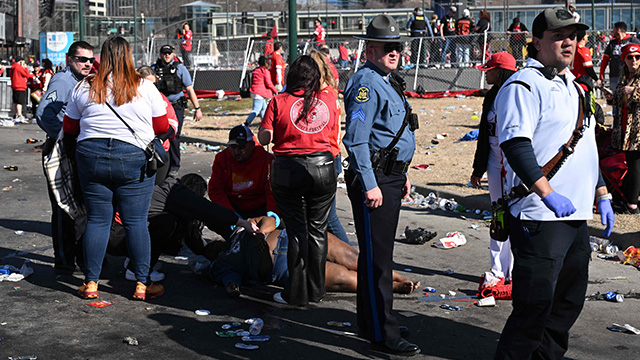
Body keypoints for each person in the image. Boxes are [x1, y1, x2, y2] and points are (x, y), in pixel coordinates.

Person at [493, 8, 614, 359]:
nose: (569, 42)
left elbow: (584, 147)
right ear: (536, 41)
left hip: (574, 214)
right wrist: (546, 193)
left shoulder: (574, 86)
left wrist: (602, 193)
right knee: (534, 308)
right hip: (539, 216)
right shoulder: (523, 84)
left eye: (574, 35)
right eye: (559, 35)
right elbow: (516, 145)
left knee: (567, 303)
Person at [63, 36, 170, 301]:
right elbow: (162, 127)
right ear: (129, 56)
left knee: (98, 220)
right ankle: (143, 285)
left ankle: (90, 283)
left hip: (91, 156)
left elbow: (69, 128)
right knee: (136, 222)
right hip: (133, 157)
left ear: (103, 57)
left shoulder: (86, 86)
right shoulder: (144, 86)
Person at [343, 15, 419, 356]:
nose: (395, 53)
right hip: (374, 180)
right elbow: (356, 139)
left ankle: (371, 319)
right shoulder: (366, 84)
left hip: (389, 177)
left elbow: (392, 133)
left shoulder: (386, 80)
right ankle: (383, 332)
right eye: (387, 47)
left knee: (377, 256)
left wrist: (400, 175)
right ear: (370, 49)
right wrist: (373, 184)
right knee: (378, 261)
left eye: (397, 47)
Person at [258, 55, 338, 307]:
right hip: (322, 168)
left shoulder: (278, 101)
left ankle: (296, 292)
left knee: (295, 231)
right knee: (318, 230)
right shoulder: (327, 99)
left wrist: (273, 131)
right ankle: (316, 290)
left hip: (288, 170)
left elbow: (263, 138)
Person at [206, 217, 420, 298]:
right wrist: (232, 288)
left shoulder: (238, 230)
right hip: (284, 268)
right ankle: (390, 286)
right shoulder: (222, 263)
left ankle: (397, 276)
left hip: (293, 238)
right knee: (344, 278)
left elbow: (270, 219)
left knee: (353, 258)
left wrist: (260, 233)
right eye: (210, 247)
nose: (213, 244)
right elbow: (230, 281)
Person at [108, 174, 258, 282]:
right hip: (120, 237)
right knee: (167, 222)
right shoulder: (174, 192)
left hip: (112, 232)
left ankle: (135, 259)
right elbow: (207, 210)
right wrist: (241, 222)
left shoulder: (160, 184)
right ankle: (138, 270)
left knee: (157, 221)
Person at [36, 41, 95, 273]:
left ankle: (80, 255)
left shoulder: (84, 80)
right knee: (63, 207)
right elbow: (43, 113)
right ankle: (64, 259)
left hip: (77, 149)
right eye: (82, 59)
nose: (87, 64)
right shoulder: (63, 80)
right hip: (61, 150)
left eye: (90, 60)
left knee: (80, 206)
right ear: (70, 59)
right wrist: (64, 136)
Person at [470, 52, 517, 291]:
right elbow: (483, 136)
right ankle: (498, 271)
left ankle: (517, 271)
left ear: (500, 71)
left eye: (489, 70)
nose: (486, 74)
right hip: (494, 162)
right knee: (498, 215)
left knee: (517, 215)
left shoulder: (518, 92)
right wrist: (478, 169)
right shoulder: (491, 95)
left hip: (514, 163)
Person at [310, 49, 349, 244]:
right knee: (323, 214)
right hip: (332, 154)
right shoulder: (330, 92)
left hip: (327, 156)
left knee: (328, 215)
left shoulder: (322, 97)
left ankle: (350, 256)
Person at [208, 124, 278, 221]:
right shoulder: (222, 158)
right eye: (233, 147)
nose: (237, 152)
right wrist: (230, 213)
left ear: (252, 145)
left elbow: (272, 192)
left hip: (260, 208)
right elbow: (215, 190)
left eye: (241, 147)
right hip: (234, 207)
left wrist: (271, 215)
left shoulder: (266, 160)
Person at [152, 44, 203, 177]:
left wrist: (197, 109)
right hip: (159, 107)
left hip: (176, 106)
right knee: (158, 136)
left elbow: (190, 89)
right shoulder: (154, 69)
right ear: (160, 54)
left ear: (173, 54)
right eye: (164, 53)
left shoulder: (180, 69)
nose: (167, 55)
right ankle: (162, 163)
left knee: (173, 136)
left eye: (169, 53)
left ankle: (174, 166)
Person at [137, 65, 179, 184]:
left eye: (154, 84)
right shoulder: (130, 98)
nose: (152, 88)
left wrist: (160, 140)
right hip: (137, 151)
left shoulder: (161, 98)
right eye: (148, 85)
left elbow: (173, 123)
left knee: (157, 189)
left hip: (159, 151)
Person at [611, 43, 640, 214]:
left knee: (635, 165)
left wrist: (634, 91)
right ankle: (630, 199)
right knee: (632, 164)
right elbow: (620, 98)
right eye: (630, 57)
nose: (634, 60)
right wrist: (612, 96)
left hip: (637, 130)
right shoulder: (625, 75)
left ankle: (632, 204)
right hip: (626, 128)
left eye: (637, 57)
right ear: (624, 59)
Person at [599, 22, 640, 92]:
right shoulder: (612, 43)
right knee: (616, 96)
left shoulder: (633, 41)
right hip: (615, 75)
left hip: (631, 75)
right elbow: (605, 59)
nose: (612, 31)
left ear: (618, 30)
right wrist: (601, 73)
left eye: (613, 29)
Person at [244, 56, 277, 126]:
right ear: (265, 63)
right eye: (267, 63)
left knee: (264, 109)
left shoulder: (255, 71)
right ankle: (246, 123)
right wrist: (275, 90)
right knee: (256, 110)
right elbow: (269, 83)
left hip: (254, 91)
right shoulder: (265, 71)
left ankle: (264, 124)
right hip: (259, 93)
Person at [10, 57, 30, 122]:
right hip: (20, 86)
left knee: (15, 101)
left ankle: (14, 114)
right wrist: (25, 68)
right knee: (20, 102)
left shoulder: (13, 67)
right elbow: (27, 75)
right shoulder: (18, 67)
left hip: (14, 85)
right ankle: (19, 115)